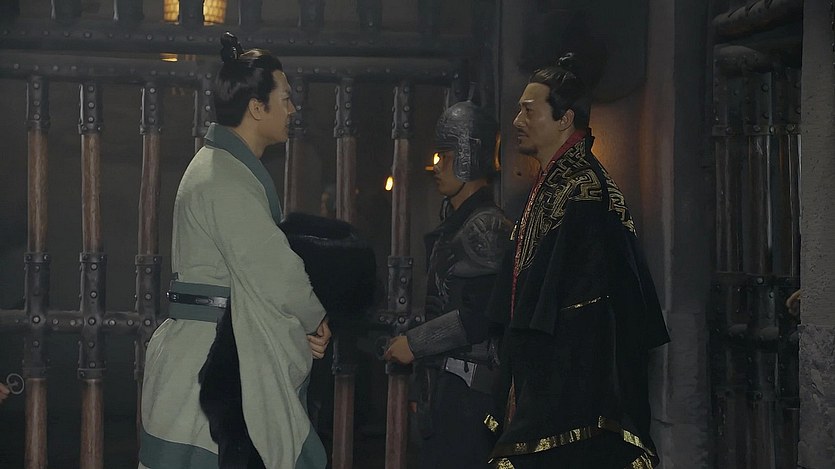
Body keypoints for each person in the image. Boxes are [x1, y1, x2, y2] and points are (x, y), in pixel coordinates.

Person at [139, 33, 331, 469]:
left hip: (209, 350)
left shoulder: (222, 169)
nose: (292, 109)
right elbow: (274, 270)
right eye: (285, 98)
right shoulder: (222, 176)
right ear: (256, 108)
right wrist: (314, 316)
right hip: (208, 358)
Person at [485, 54, 670, 468]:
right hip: (544, 379)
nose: (516, 121)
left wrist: (538, 398)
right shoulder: (554, 182)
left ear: (564, 119)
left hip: (572, 394)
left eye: (528, 111)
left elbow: (591, 312)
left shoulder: (585, 189)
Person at [384, 100, 512, 469]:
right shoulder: (458, 223)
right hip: (445, 390)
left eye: (446, 155)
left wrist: (415, 343)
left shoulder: (487, 226)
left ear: (470, 155)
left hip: (470, 392)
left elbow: (480, 315)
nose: (437, 166)